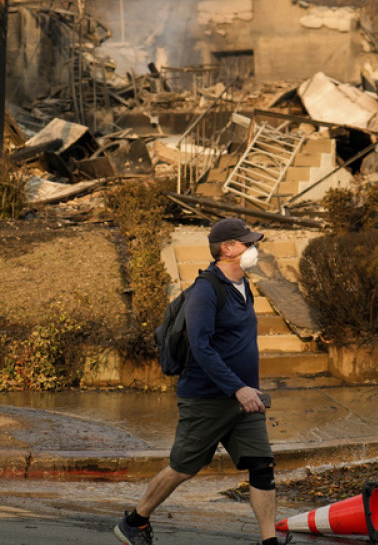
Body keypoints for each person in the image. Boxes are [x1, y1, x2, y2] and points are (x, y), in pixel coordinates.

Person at [115, 217, 278, 545]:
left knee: (262, 466)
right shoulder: (205, 291)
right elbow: (201, 348)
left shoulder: (244, 285)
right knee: (183, 468)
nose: (253, 248)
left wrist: (247, 390)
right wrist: (237, 388)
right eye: (247, 243)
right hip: (206, 399)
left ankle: (269, 541)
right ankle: (135, 521)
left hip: (244, 401)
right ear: (226, 249)